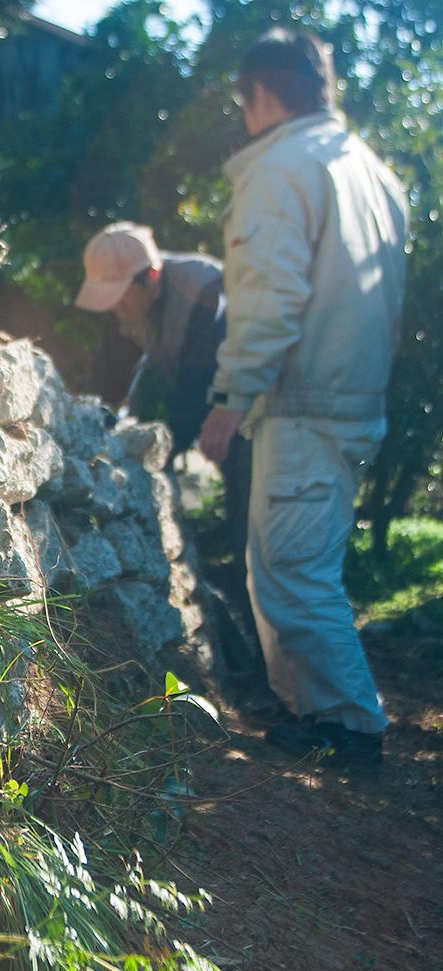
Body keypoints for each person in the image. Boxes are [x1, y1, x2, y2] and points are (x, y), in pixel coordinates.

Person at [199, 29, 409, 766]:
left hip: (305, 400)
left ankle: (349, 726)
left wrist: (229, 399)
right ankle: (315, 716)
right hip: (352, 398)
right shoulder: (368, 170)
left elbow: (269, 296)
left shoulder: (282, 167)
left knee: (292, 572)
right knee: (296, 565)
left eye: (242, 100)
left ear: (260, 92)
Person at [73, 224, 267, 694]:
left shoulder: (203, 293)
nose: (116, 309)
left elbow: (194, 392)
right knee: (251, 551)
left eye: (121, 296)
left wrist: (159, 448)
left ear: (150, 277)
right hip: (220, 413)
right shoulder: (139, 301)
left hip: (257, 420)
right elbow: (113, 368)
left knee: (257, 550)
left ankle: (276, 680)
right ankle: (263, 672)